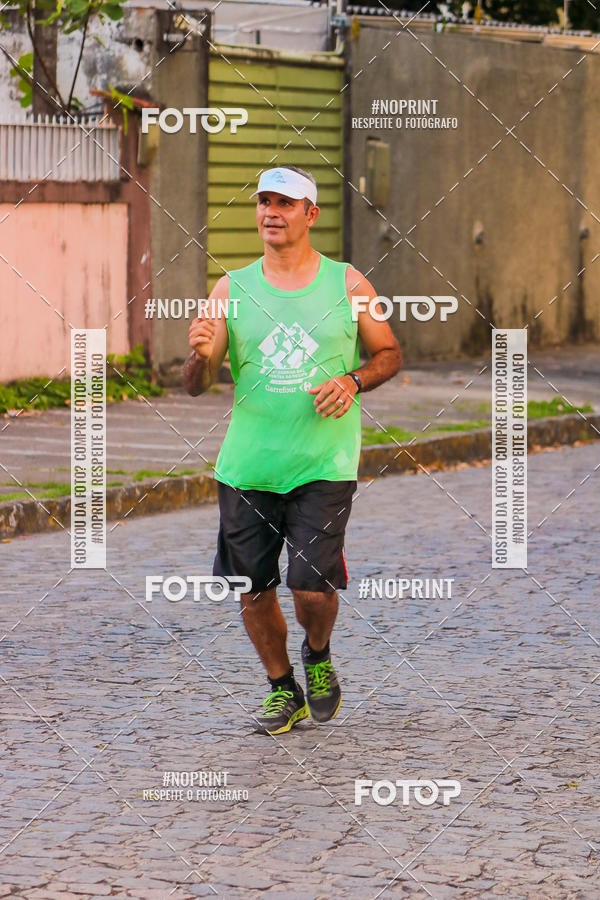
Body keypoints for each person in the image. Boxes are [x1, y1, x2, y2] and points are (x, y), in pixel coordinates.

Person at [183, 165, 402, 735]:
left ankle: (319, 653)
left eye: (285, 202)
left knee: (310, 585)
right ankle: (284, 690)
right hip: (247, 466)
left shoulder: (349, 284)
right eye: (264, 202)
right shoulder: (230, 290)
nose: (271, 212)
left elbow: (389, 354)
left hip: (322, 465)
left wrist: (352, 381)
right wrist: (200, 357)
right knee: (253, 592)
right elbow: (196, 383)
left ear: (311, 214)